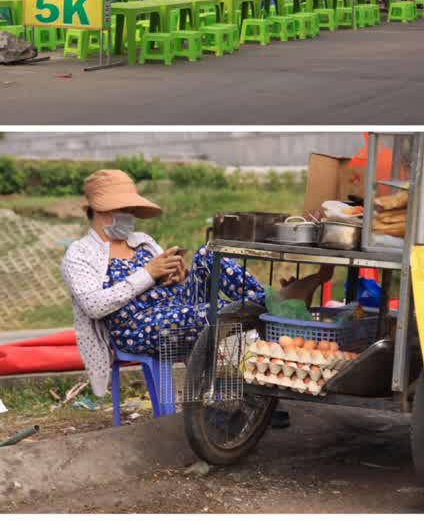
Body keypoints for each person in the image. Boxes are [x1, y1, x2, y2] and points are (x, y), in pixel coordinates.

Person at [62, 170, 333, 414]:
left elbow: (169, 281)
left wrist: (178, 276)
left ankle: (271, 301)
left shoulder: (142, 242)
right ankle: (278, 301)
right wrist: (148, 273)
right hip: (136, 327)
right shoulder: (80, 254)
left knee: (208, 254)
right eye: (123, 209)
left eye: (131, 209)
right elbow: (94, 305)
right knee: (216, 314)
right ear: (100, 211)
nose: (129, 216)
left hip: (175, 306)